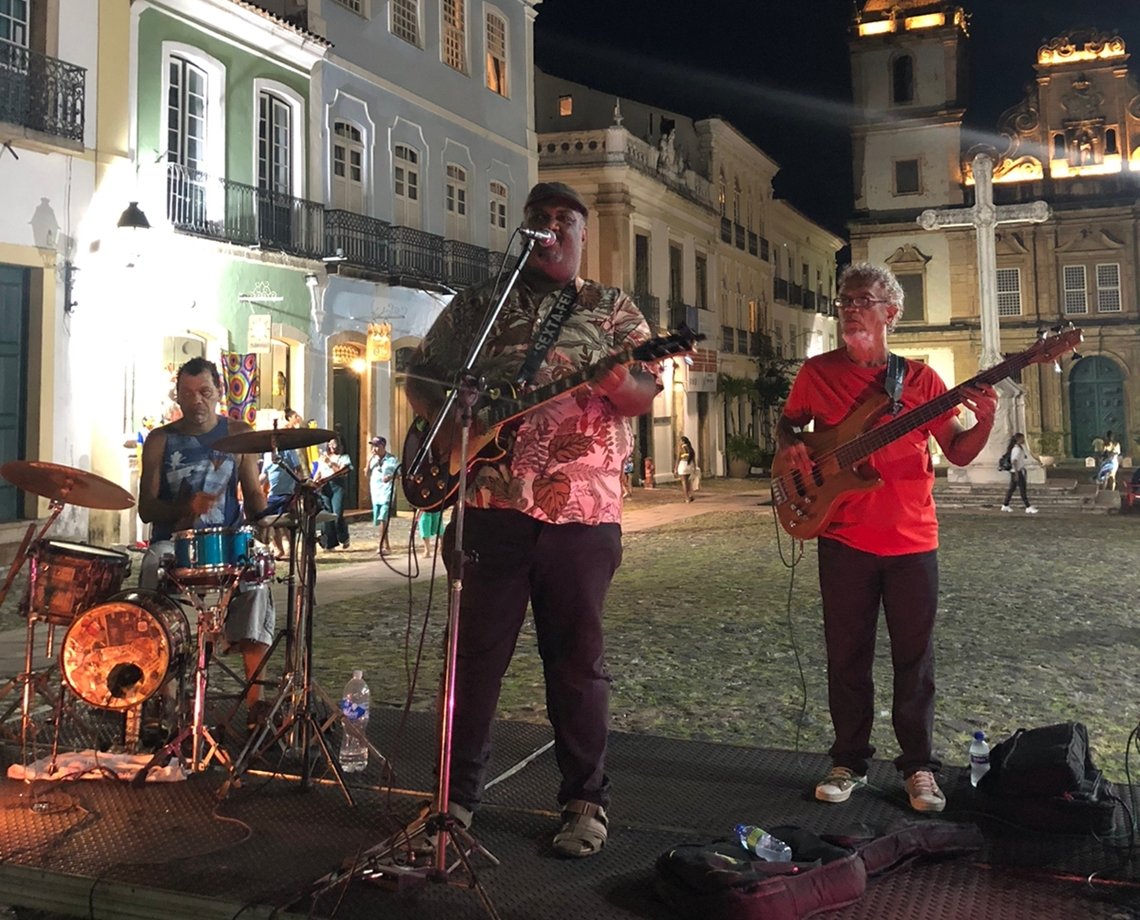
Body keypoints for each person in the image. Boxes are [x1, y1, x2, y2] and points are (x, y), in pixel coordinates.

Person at [405, 181, 661, 857]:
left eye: (564, 221)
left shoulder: (610, 309)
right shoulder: (479, 307)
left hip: (581, 514)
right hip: (486, 506)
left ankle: (585, 800)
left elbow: (642, 393)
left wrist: (611, 381)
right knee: (474, 660)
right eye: (540, 219)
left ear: (582, 236)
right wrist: (449, 413)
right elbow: (420, 376)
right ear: (524, 230)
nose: (552, 228)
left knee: (577, 663)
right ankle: (454, 799)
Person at [775, 262, 996, 815]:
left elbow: (959, 451)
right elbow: (789, 425)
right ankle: (848, 760)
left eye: (863, 300)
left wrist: (986, 419)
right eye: (845, 300)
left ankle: (918, 767)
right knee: (847, 656)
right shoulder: (816, 373)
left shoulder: (919, 381)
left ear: (890, 313)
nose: (851, 308)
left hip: (912, 541)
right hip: (843, 536)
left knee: (913, 660)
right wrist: (790, 450)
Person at [137, 356, 274, 720]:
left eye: (204, 392)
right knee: (152, 565)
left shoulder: (238, 434)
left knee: (257, 579)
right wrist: (183, 506)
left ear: (218, 393)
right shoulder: (160, 440)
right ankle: (162, 697)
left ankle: (256, 701)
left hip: (226, 542)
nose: (196, 400)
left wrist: (274, 521)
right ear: (177, 397)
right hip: (174, 543)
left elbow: (254, 498)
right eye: (187, 393)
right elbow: (147, 509)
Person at [258, 408, 306, 559]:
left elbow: (297, 469)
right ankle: (278, 550)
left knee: (286, 525)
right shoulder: (267, 454)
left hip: (288, 493)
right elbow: (264, 474)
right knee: (273, 524)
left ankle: (291, 550)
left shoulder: (288, 450)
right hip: (274, 493)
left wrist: (299, 487)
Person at [316, 435, 353, 550]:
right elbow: (319, 471)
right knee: (327, 515)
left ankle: (343, 537)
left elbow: (341, 472)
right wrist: (314, 482)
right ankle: (330, 543)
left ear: (340, 445)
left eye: (334, 444)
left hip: (337, 486)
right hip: (325, 487)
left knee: (337, 514)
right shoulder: (323, 457)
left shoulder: (344, 458)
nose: (331, 446)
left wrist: (330, 463)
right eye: (330, 444)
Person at [367, 436, 399, 555]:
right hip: (376, 492)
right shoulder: (373, 460)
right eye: (373, 446)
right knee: (380, 520)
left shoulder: (392, 459)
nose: (374, 449)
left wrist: (390, 477)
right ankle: (385, 545)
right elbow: (366, 473)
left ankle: (384, 545)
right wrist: (369, 460)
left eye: (376, 446)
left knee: (383, 518)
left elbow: (400, 474)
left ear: (382, 446)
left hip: (387, 492)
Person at [1000, 433, 1038, 514]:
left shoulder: (1019, 448)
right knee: (1022, 489)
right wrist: (1017, 473)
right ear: (1018, 439)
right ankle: (1027, 506)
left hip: (1016, 471)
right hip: (1017, 471)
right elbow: (1014, 461)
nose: (1024, 440)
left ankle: (1005, 504)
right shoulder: (1016, 449)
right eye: (1022, 438)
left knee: (1012, 489)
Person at [676, 436, 697, 502]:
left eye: (680, 441)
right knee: (688, 482)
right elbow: (693, 459)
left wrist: (675, 468)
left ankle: (687, 497)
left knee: (684, 482)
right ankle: (690, 494)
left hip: (683, 465)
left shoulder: (682, 449)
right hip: (689, 465)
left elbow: (678, 459)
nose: (679, 442)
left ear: (682, 442)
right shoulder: (691, 449)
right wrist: (694, 467)